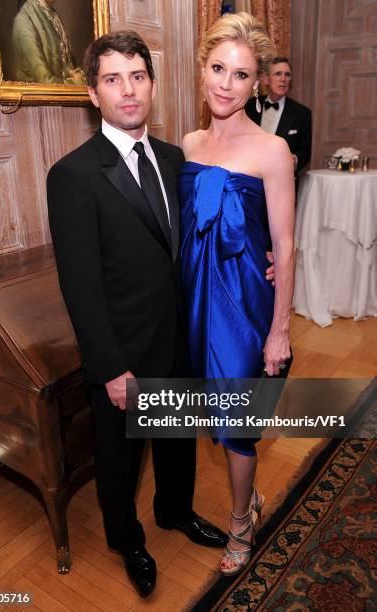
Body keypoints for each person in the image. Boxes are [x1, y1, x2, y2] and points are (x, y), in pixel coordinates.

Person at [47, 31, 227, 598]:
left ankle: (175, 511)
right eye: (112, 79)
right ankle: (126, 538)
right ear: (92, 94)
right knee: (121, 457)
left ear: (151, 83)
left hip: (177, 337)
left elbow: (194, 247)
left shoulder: (174, 158)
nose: (128, 90)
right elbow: (80, 286)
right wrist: (110, 368)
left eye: (138, 76)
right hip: (122, 352)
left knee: (175, 440)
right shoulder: (73, 175)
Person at [179, 13, 295, 575]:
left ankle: (241, 522)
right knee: (209, 412)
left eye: (241, 74)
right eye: (218, 68)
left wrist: (279, 329)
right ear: (202, 70)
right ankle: (246, 501)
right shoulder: (187, 143)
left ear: (257, 84)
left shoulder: (272, 151)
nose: (226, 83)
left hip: (245, 304)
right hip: (194, 300)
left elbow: (286, 244)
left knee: (237, 426)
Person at [245, 56, 312, 176]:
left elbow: (305, 151)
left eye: (287, 75)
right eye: (278, 74)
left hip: (283, 179)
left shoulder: (302, 113)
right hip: (249, 176)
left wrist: (294, 160)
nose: (283, 79)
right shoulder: (250, 106)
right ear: (266, 79)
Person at [12, 0, 85, 84]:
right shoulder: (23, 21)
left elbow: (68, 64)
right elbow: (44, 80)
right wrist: (76, 82)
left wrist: (77, 74)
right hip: (38, 95)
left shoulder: (51, 14)